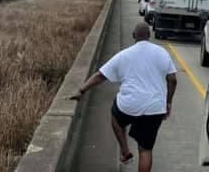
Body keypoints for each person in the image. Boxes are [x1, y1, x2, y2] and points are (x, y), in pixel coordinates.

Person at [71, 22, 177, 171]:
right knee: (145, 149)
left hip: (129, 106)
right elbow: (172, 80)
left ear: (134, 36)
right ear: (149, 35)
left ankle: (125, 151)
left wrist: (81, 90)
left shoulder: (124, 55)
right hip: (155, 108)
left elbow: (101, 76)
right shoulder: (162, 53)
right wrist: (168, 103)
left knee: (115, 116)